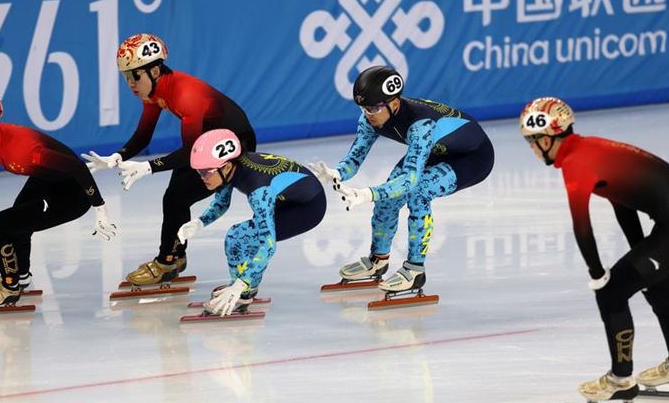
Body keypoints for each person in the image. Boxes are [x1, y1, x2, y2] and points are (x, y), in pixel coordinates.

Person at [519, 97, 669, 401]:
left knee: (611, 293)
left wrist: (598, 272)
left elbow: (581, 224)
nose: (532, 151)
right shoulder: (591, 148)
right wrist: (639, 249)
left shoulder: (576, 162)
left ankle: (620, 380)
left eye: (532, 143)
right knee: (659, 290)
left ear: (547, 138)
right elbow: (622, 201)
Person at [83, 34, 256, 286]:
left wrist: (148, 167)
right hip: (208, 143)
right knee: (176, 194)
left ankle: (167, 261)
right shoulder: (153, 91)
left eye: (135, 76)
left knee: (178, 195)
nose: (130, 83)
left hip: (234, 147)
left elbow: (189, 152)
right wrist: (117, 156)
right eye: (126, 76)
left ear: (154, 70)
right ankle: (174, 256)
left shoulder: (185, 94)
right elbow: (143, 135)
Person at [310, 65, 494, 295]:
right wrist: (337, 173)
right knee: (387, 200)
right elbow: (355, 158)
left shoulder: (421, 125)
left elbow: (409, 181)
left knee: (419, 193)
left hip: (472, 157)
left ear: (394, 104)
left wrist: (367, 194)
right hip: (436, 150)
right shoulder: (370, 117)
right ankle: (378, 260)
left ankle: (415, 270)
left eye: (374, 108)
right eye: (363, 108)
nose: (368, 114)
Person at [0, 89, 116, 308]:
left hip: (72, 195)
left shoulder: (25, 149)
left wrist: (100, 209)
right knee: (19, 217)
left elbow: (77, 167)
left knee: (0, 226)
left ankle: (9, 289)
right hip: (47, 180)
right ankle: (20, 275)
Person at [177, 129, 325, 316]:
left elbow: (268, 244)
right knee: (241, 236)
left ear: (227, 167)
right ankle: (246, 287)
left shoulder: (258, 191)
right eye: (199, 170)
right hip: (287, 198)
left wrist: (239, 285)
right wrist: (199, 223)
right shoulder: (232, 168)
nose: (201, 176)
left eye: (206, 171)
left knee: (238, 236)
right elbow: (221, 203)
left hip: (307, 208)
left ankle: (242, 294)